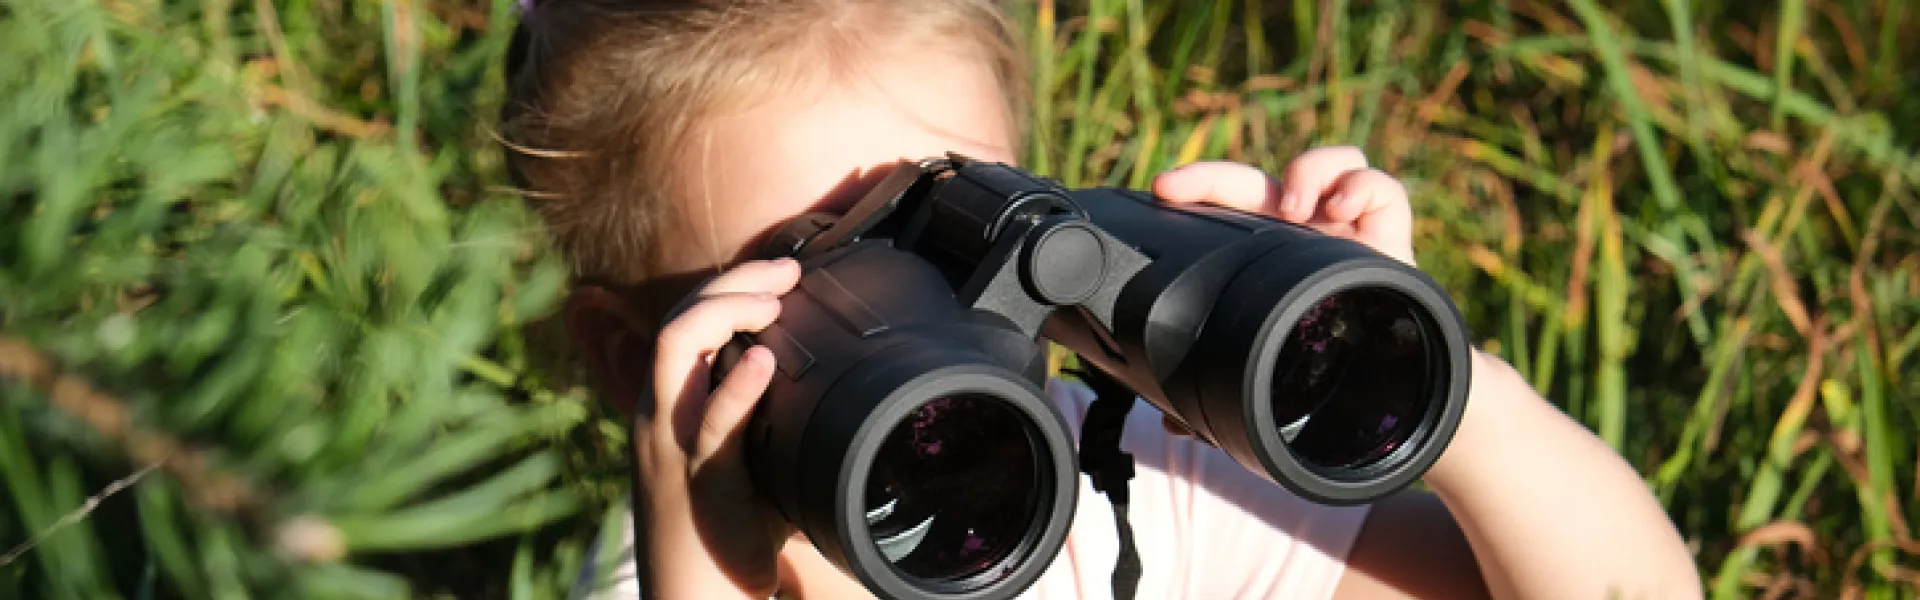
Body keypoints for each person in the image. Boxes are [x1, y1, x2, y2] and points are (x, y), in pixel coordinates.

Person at [496, 1, 1704, 598]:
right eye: (819, 270)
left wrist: (1413, 380)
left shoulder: (1135, 484)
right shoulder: (668, 576)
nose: (910, 301)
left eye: (954, 215)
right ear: (628, 356)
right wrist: (706, 565)